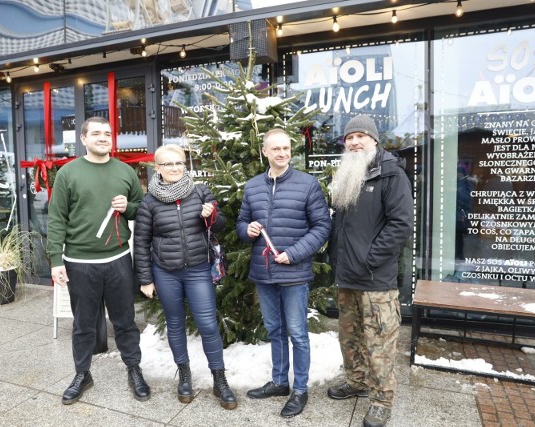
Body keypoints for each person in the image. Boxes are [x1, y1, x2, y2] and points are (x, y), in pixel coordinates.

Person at [47, 116, 150, 405]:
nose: (103, 137)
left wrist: (127, 206)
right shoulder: (68, 173)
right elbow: (57, 219)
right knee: (83, 324)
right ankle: (82, 374)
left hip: (118, 259)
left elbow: (142, 211)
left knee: (125, 321)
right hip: (79, 262)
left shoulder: (125, 171)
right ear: (84, 139)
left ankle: (133, 369)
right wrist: (56, 260)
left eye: (107, 133)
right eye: (96, 133)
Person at [236, 128, 331, 418]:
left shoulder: (307, 184)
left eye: (286, 148)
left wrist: (295, 254)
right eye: (275, 148)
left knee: (298, 334)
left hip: (294, 273)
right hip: (264, 273)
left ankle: (299, 389)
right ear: (265, 151)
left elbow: (322, 227)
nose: (282, 153)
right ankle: (279, 382)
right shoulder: (252, 186)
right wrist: (247, 230)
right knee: (275, 331)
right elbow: (241, 222)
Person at [134, 144, 237, 410]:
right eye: (167, 164)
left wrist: (212, 215)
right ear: (157, 168)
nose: (175, 168)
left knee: (207, 325)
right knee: (175, 323)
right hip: (165, 272)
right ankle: (185, 375)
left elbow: (222, 225)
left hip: (198, 270)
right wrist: (145, 279)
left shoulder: (200, 191)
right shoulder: (149, 201)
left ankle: (219, 378)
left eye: (179, 163)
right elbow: (141, 241)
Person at [327, 115, 414, 427]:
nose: (354, 142)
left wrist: (369, 259)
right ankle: (357, 381)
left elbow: (401, 225)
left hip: (376, 279)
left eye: (361, 136)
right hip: (347, 277)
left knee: (379, 343)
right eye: (350, 137)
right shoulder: (347, 174)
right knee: (349, 338)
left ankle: (381, 400)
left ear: (374, 140)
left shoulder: (391, 174)